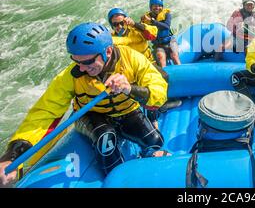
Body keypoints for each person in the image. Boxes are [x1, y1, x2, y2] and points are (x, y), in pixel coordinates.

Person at [0, 22, 169, 187]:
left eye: (87, 62)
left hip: (126, 111)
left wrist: (129, 88)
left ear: (108, 51)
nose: (81, 68)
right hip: (89, 115)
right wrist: (12, 155)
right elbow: (45, 112)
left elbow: (158, 93)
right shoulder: (70, 75)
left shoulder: (133, 59)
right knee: (105, 137)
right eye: (76, 61)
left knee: (155, 140)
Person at [141, 0, 181, 67]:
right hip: (158, 45)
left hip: (170, 42)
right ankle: (164, 76)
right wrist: (141, 22)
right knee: (161, 57)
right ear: (151, 7)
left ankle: (181, 73)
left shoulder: (167, 14)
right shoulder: (146, 18)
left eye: (160, 6)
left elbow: (166, 26)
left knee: (174, 56)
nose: (157, 8)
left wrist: (152, 21)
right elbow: (141, 30)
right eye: (155, 6)